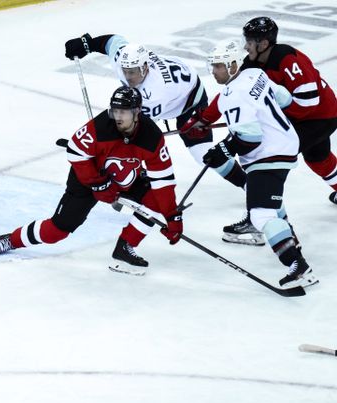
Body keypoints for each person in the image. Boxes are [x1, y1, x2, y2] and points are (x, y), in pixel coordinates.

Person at [0, 86, 183, 276]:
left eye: (124, 112)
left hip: (124, 177)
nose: (118, 117)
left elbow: (163, 181)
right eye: (115, 111)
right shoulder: (101, 126)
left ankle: (126, 245)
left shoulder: (152, 137)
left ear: (137, 111)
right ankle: (12, 240)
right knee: (57, 230)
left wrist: (172, 217)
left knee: (155, 200)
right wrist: (98, 183)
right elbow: (76, 151)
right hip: (86, 177)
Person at [184, 16, 337, 244]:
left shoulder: (287, 59)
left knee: (262, 161)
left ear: (263, 43)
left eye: (250, 41)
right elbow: (232, 90)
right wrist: (204, 119)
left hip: (318, 117)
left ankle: (259, 220)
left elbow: (308, 102)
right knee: (318, 158)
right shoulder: (252, 62)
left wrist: (267, 116)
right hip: (315, 115)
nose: (246, 46)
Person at [200, 39, 317, 288]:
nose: (214, 72)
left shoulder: (233, 94)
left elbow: (250, 139)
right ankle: (291, 245)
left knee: (261, 213)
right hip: (284, 144)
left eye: (218, 66)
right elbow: (284, 98)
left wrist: (223, 149)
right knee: (269, 204)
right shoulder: (254, 74)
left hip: (268, 155)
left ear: (232, 65)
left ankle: (298, 266)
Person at [63, 33, 241, 184]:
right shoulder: (125, 60)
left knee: (202, 153)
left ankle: (247, 183)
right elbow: (112, 41)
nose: (128, 76)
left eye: (133, 72)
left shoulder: (155, 93)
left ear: (145, 67)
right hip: (176, 78)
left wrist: (104, 151)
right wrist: (87, 44)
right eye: (125, 71)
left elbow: (137, 131)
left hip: (189, 99)